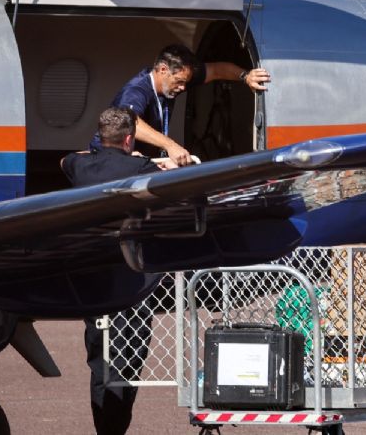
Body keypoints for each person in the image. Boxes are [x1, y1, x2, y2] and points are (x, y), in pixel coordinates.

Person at [63, 107, 172, 435]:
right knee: (132, 356)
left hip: (94, 282)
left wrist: (95, 152)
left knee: (101, 362)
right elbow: (165, 178)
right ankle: (116, 426)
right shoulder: (141, 167)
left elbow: (66, 160)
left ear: (100, 136)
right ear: (129, 138)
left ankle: (106, 430)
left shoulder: (79, 166)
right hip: (133, 281)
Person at [90, 43, 271, 166]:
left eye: (186, 82)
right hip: (108, 157)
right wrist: (170, 145)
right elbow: (131, 122)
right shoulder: (137, 90)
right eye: (179, 81)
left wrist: (245, 76)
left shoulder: (177, 81)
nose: (183, 87)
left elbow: (216, 70)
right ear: (163, 70)